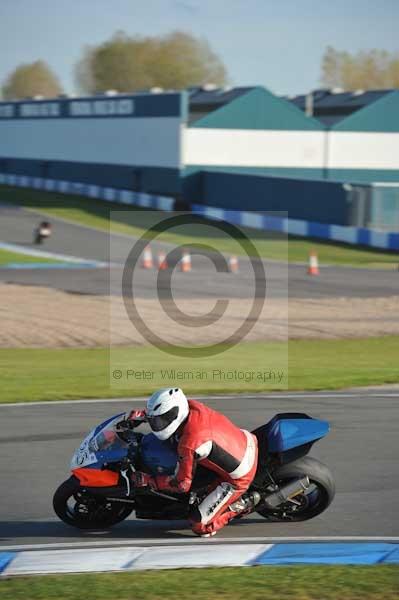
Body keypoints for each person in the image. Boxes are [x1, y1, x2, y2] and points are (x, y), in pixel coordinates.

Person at [122, 387, 259, 537]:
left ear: (175, 414)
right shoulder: (190, 406)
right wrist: (142, 416)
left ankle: (242, 503)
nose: (157, 424)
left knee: (200, 526)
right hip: (243, 439)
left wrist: (150, 480)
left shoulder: (190, 442)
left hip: (239, 476)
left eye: (161, 420)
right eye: (156, 420)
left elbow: (181, 485)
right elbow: (163, 412)